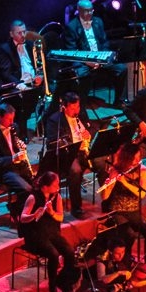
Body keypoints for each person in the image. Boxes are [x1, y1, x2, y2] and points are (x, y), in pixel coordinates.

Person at [14, 170, 72, 292]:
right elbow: (23, 218)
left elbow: (60, 217)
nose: (58, 187)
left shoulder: (57, 197)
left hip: (52, 233)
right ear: (45, 187)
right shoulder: (33, 197)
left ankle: (64, 282)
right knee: (54, 254)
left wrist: (51, 212)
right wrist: (34, 215)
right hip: (36, 236)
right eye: (55, 184)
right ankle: (52, 289)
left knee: (69, 252)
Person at [98, 142, 146, 268]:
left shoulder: (142, 170)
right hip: (117, 211)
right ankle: (125, 263)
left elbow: (141, 194)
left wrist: (125, 182)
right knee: (129, 235)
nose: (137, 160)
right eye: (134, 158)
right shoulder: (115, 170)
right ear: (126, 157)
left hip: (134, 210)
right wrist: (108, 185)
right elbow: (104, 197)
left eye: (139, 157)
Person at [62, 0, 127, 101]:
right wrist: (88, 61)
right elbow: (72, 51)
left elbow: (104, 42)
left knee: (122, 69)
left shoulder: (98, 21)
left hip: (100, 58)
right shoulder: (72, 27)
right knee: (82, 74)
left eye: (91, 10)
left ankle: (119, 101)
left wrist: (103, 57)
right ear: (79, 11)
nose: (89, 13)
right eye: (86, 11)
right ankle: (82, 104)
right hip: (83, 61)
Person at [43, 91, 93, 219]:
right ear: (64, 107)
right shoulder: (55, 120)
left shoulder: (81, 115)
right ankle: (76, 208)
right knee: (75, 171)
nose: (76, 111)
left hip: (84, 150)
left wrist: (88, 134)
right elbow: (52, 142)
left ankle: (108, 201)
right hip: (69, 153)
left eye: (78, 107)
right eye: (73, 108)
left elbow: (91, 127)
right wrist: (73, 143)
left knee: (103, 162)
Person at [0, 19, 45, 131]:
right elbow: (6, 74)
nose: (23, 35)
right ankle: (21, 130)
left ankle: (41, 127)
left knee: (51, 93)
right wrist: (21, 85)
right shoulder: (5, 49)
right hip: (16, 85)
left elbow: (39, 65)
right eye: (19, 33)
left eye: (24, 31)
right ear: (11, 34)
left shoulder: (31, 45)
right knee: (23, 102)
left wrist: (40, 75)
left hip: (33, 83)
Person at [0, 103, 36, 195]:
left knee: (36, 185)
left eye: (12, 119)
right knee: (27, 189)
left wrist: (20, 146)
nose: (11, 122)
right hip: (3, 171)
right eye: (9, 119)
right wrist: (13, 158)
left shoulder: (14, 127)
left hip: (17, 166)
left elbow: (13, 146)